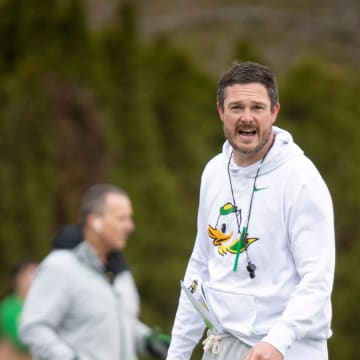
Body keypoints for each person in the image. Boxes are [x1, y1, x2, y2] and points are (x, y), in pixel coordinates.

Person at [166, 62, 335, 360]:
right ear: (220, 111)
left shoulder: (300, 178)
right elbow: (200, 268)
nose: (246, 117)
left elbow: (317, 277)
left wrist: (278, 341)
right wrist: (177, 354)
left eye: (257, 107)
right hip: (221, 346)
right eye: (236, 107)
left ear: (274, 112)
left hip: (286, 350)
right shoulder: (214, 172)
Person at [20, 183, 170, 359]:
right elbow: (34, 328)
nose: (130, 227)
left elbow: (119, 324)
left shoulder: (120, 273)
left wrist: (147, 340)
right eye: (121, 219)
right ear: (94, 222)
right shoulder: (60, 267)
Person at [0, 260, 37, 360]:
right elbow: (22, 340)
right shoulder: (9, 308)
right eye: (28, 273)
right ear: (17, 279)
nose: (33, 278)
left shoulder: (45, 304)